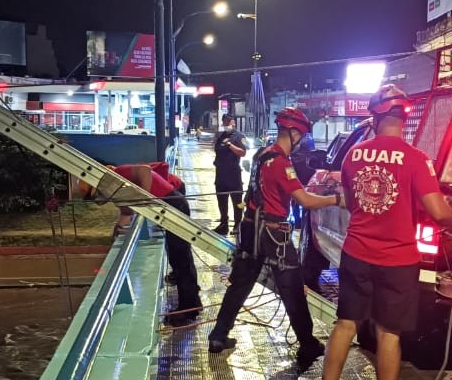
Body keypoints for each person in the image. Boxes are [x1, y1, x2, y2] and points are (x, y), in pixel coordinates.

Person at [306, 85, 452, 380]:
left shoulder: (353, 156)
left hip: (357, 253)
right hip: (398, 259)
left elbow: (349, 199)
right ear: (403, 119)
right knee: (388, 334)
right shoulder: (416, 158)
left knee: (345, 324)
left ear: (373, 118)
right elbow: (437, 211)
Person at [207, 108, 340, 362]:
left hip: (250, 230)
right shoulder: (281, 163)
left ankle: (218, 334)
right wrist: (337, 199)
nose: (301, 140)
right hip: (273, 234)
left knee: (240, 284)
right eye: (300, 135)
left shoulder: (262, 155)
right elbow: (305, 200)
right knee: (292, 289)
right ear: (293, 133)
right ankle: (308, 343)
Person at [76, 161, 203, 326]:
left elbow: (145, 171)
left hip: (173, 205)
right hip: (171, 205)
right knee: (179, 258)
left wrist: (146, 199)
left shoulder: (120, 172)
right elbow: (126, 211)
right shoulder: (117, 186)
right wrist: (119, 226)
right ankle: (192, 303)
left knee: (181, 260)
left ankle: (188, 310)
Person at [213, 114, 247, 235]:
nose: (228, 125)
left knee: (237, 202)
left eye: (230, 122)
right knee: (221, 201)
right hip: (221, 175)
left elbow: (243, 152)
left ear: (234, 123)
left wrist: (230, 145)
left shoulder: (239, 136)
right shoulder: (221, 136)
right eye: (226, 122)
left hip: (233, 175)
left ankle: (238, 224)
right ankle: (224, 224)